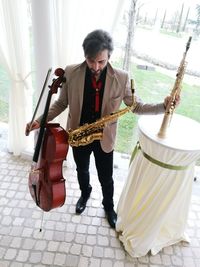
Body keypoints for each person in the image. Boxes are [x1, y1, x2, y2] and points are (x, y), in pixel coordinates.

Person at [26, 29, 178, 229]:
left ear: (109, 57)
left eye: (101, 62)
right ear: (85, 56)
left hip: (104, 137)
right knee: (82, 170)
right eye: (91, 61)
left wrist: (163, 106)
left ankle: (108, 206)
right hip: (78, 135)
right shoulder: (71, 72)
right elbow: (61, 103)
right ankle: (85, 193)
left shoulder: (122, 78)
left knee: (106, 177)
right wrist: (40, 119)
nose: (96, 66)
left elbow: (137, 106)